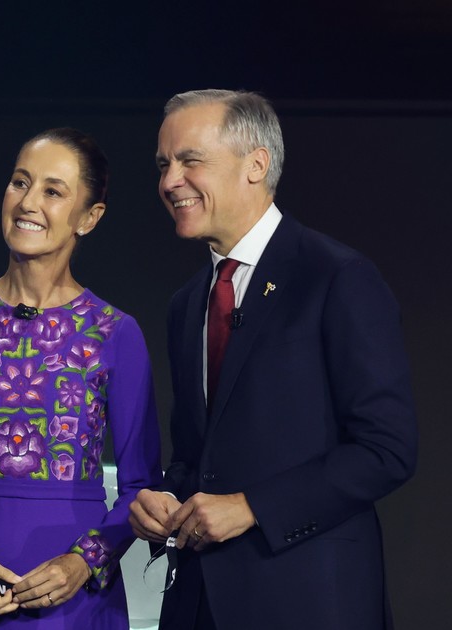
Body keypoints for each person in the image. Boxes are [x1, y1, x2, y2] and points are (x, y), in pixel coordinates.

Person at [129, 89, 419, 630]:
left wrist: (251, 506)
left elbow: (387, 449)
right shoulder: (187, 304)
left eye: (190, 161)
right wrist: (167, 496)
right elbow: (197, 454)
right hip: (198, 603)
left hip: (307, 599)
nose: (169, 181)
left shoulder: (335, 277)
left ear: (256, 165)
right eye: (164, 165)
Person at [0, 129, 162, 629]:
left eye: (53, 191)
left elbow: (141, 487)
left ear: (89, 217)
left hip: (74, 602)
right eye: (19, 182)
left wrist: (83, 562)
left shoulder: (114, 333)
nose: (28, 202)